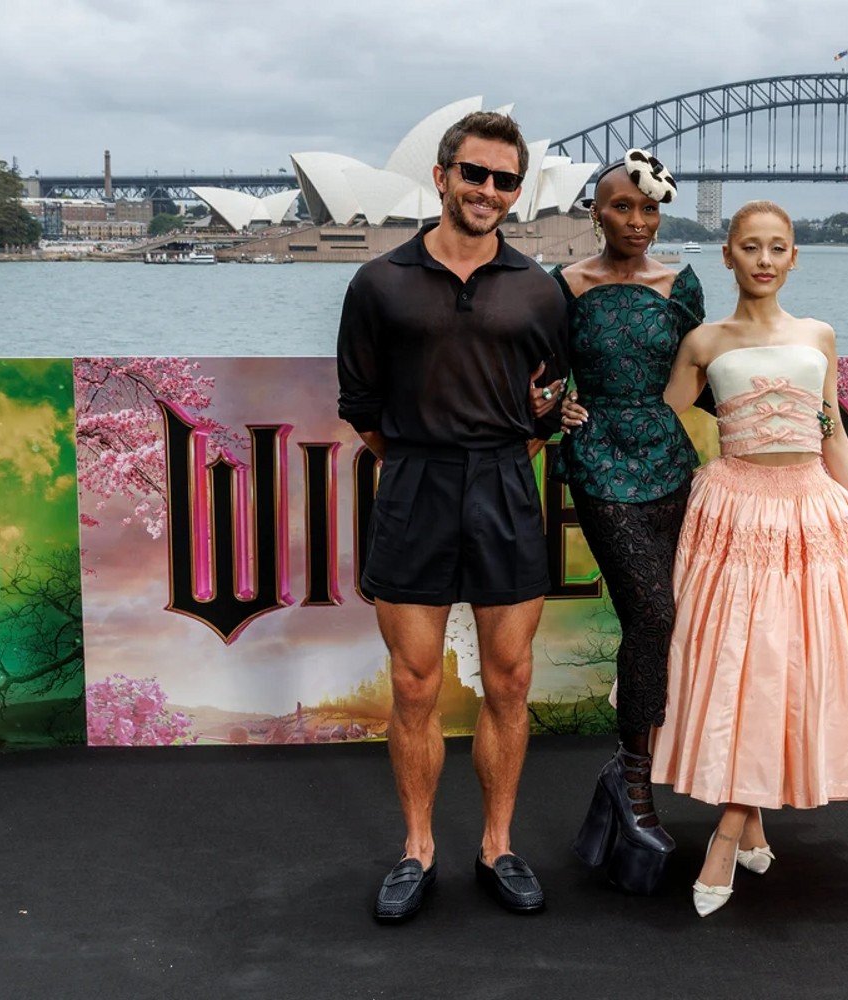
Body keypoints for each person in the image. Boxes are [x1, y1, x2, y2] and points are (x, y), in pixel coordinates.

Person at [651, 200, 848, 917]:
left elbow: (832, 436)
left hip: (811, 513)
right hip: (735, 515)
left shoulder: (818, 337)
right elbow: (657, 422)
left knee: (790, 666)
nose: (764, 260)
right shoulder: (703, 342)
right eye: (750, 247)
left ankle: (728, 833)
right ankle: (747, 820)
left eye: (777, 247)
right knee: (748, 668)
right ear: (728, 255)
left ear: (794, 257)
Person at [336, 111, 568, 922]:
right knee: (414, 684)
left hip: (505, 487)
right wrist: (423, 459)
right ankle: (418, 850)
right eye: (476, 174)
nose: (489, 192)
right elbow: (361, 405)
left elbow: (548, 405)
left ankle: (499, 846)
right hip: (414, 488)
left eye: (506, 180)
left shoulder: (540, 288)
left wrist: (498, 457)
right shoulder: (378, 284)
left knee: (508, 678)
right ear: (442, 176)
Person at [551, 149, 707, 894]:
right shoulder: (566, 286)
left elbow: (711, 369)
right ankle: (637, 784)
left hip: (670, 461)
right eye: (622, 207)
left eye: (648, 210)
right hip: (599, 461)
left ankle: (627, 773)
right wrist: (555, 408)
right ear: (596, 212)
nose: (637, 222)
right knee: (653, 611)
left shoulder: (683, 283)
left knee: (674, 622)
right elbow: (542, 377)